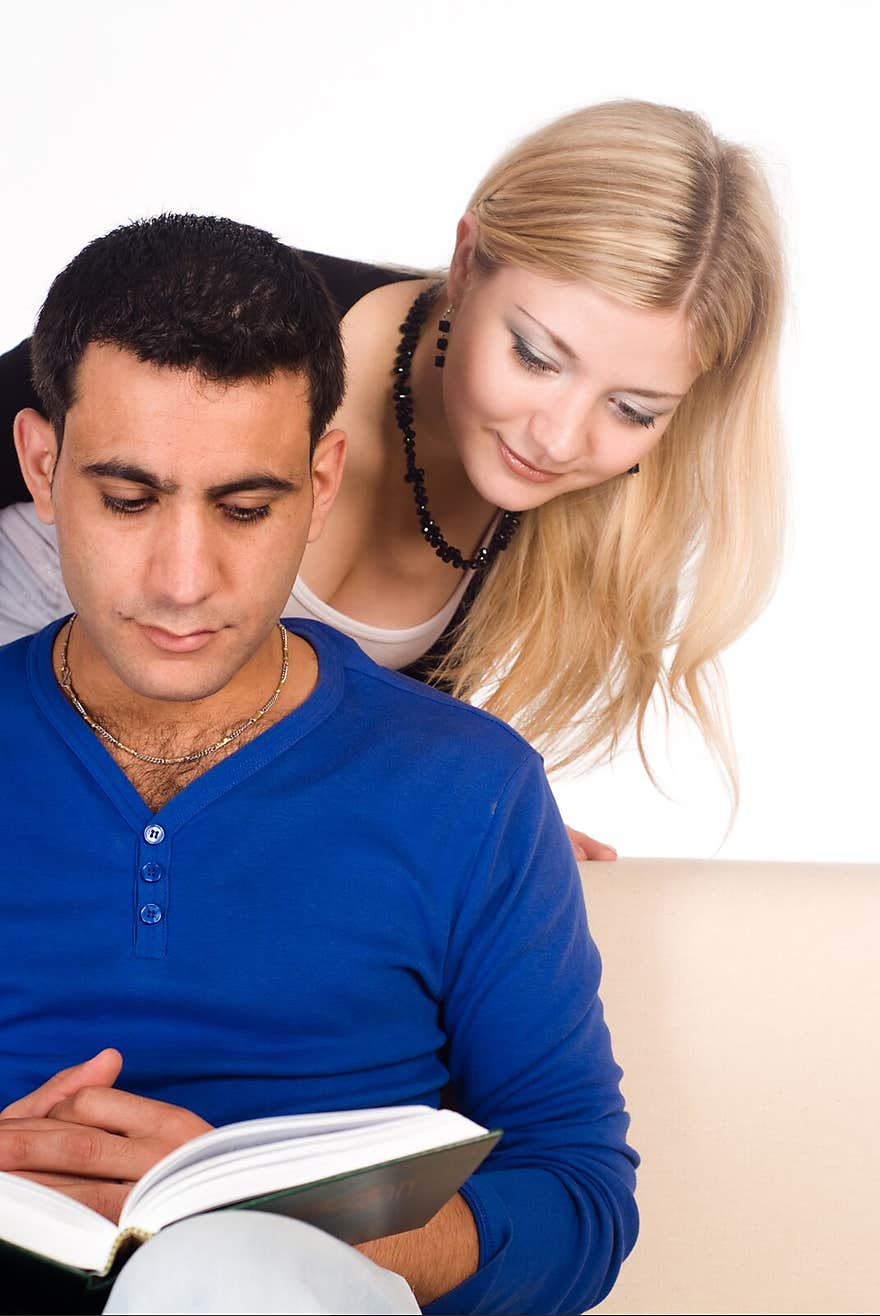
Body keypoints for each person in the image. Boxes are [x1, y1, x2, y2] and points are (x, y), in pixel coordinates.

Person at [0, 212, 638, 1315]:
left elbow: (580, 1200)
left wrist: (327, 1239)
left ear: (324, 476)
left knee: (219, 1280)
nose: (184, 580)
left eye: (247, 507)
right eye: (128, 498)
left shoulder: (468, 790)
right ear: (42, 465)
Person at [0, 98, 787, 863]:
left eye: (632, 408)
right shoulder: (247, 332)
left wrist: (465, 815)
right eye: (536, 358)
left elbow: (315, 743)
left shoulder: (558, 512)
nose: (558, 437)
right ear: (468, 260)